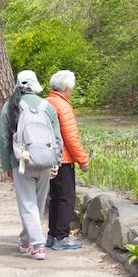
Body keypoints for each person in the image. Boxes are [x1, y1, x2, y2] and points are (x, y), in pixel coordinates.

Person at [0, 70, 62, 260]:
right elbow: (57, 137)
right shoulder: (47, 106)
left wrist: (7, 164)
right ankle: (26, 239)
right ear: (35, 84)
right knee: (38, 204)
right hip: (45, 162)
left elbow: (3, 139)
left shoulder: (10, 106)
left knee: (27, 204)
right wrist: (56, 161)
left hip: (22, 161)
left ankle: (37, 245)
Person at [46, 69, 89, 250]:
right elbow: (71, 137)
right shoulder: (63, 106)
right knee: (66, 198)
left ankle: (52, 235)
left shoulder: (46, 102)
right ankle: (62, 237)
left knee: (54, 197)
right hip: (62, 160)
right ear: (67, 87)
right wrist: (83, 160)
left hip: (48, 158)